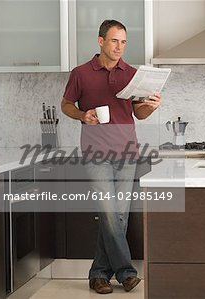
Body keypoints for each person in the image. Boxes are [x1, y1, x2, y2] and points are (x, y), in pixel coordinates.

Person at [61, 19, 161, 294]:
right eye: (115, 41)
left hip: (128, 152)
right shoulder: (81, 73)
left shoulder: (131, 74)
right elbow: (66, 104)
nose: (120, 47)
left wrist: (151, 107)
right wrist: (83, 115)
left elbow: (138, 113)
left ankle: (99, 275)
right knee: (108, 212)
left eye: (124, 42)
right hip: (96, 154)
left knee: (118, 217)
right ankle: (127, 273)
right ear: (101, 41)